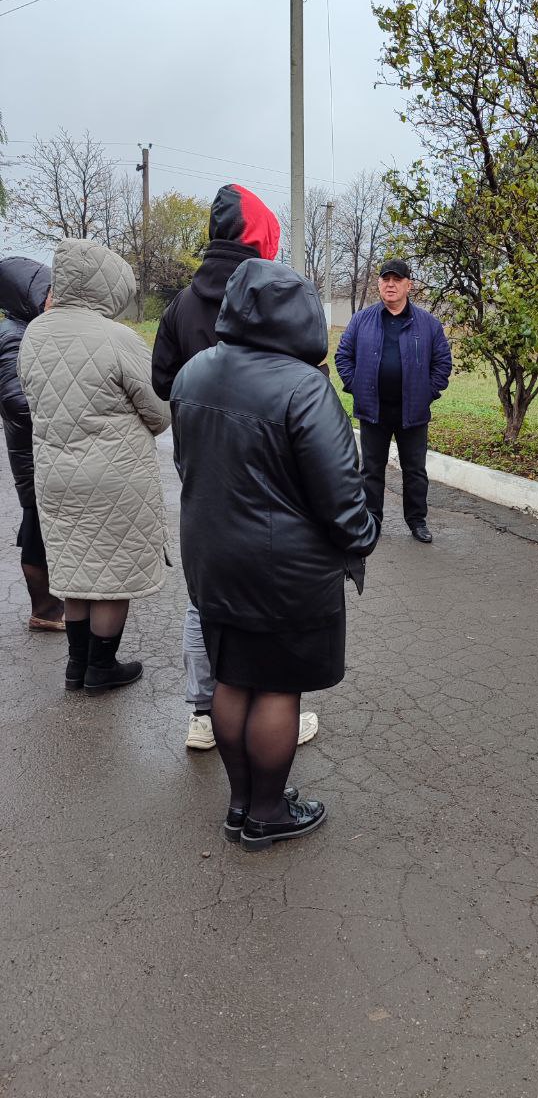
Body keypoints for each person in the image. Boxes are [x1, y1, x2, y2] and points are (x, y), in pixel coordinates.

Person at [171, 258, 379, 851]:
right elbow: (341, 495)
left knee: (233, 679)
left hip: (213, 558)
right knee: (278, 688)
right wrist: (362, 537)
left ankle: (241, 804)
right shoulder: (304, 387)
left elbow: (187, 463)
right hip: (285, 571)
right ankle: (267, 813)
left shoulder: (194, 371)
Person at [152, 182, 319, 751]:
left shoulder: (182, 302)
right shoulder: (274, 296)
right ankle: (274, 706)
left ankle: (205, 711)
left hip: (202, 465)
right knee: (272, 590)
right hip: (273, 469)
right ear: (261, 236)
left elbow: (161, 381)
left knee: (206, 594)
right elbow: (303, 382)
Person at [18, 240, 170, 693]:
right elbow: (160, 412)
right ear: (108, 284)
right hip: (113, 476)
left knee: (76, 569)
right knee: (112, 573)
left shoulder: (35, 334)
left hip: (54, 474)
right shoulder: (118, 338)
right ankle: (102, 667)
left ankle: (75, 666)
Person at [335, 259, 452, 544]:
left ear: (408, 285)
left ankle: (417, 521)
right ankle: (371, 520)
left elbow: (442, 363)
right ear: (378, 284)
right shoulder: (362, 320)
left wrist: (426, 393)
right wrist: (356, 387)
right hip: (373, 410)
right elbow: (343, 356)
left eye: (397, 280)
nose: (390, 285)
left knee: (415, 471)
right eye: (385, 279)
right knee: (371, 471)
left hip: (412, 412)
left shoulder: (428, 324)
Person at [0, 257, 64, 632]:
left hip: (41, 449)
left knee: (40, 524)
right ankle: (45, 610)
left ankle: (52, 605)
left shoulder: (31, 329)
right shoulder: (15, 336)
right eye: (48, 293)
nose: (54, 299)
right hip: (33, 452)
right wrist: (65, 407)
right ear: (26, 297)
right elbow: (15, 402)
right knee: (37, 527)